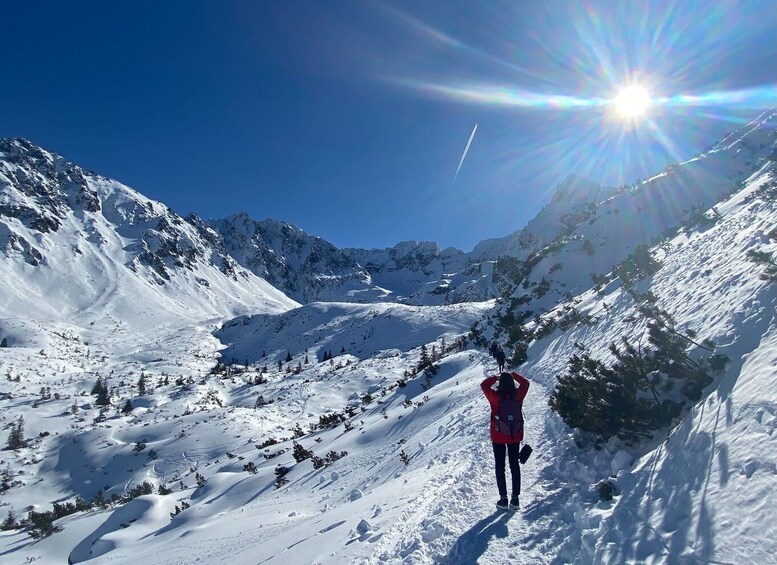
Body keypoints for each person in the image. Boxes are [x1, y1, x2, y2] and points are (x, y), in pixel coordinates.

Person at [480, 371, 530, 510]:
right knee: (514, 465)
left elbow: (484, 385)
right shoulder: (518, 395)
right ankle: (515, 499)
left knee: (499, 466)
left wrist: (495, 377)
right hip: (514, 435)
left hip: (498, 436)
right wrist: (514, 374)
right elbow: (526, 383)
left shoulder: (495, 397)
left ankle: (503, 498)